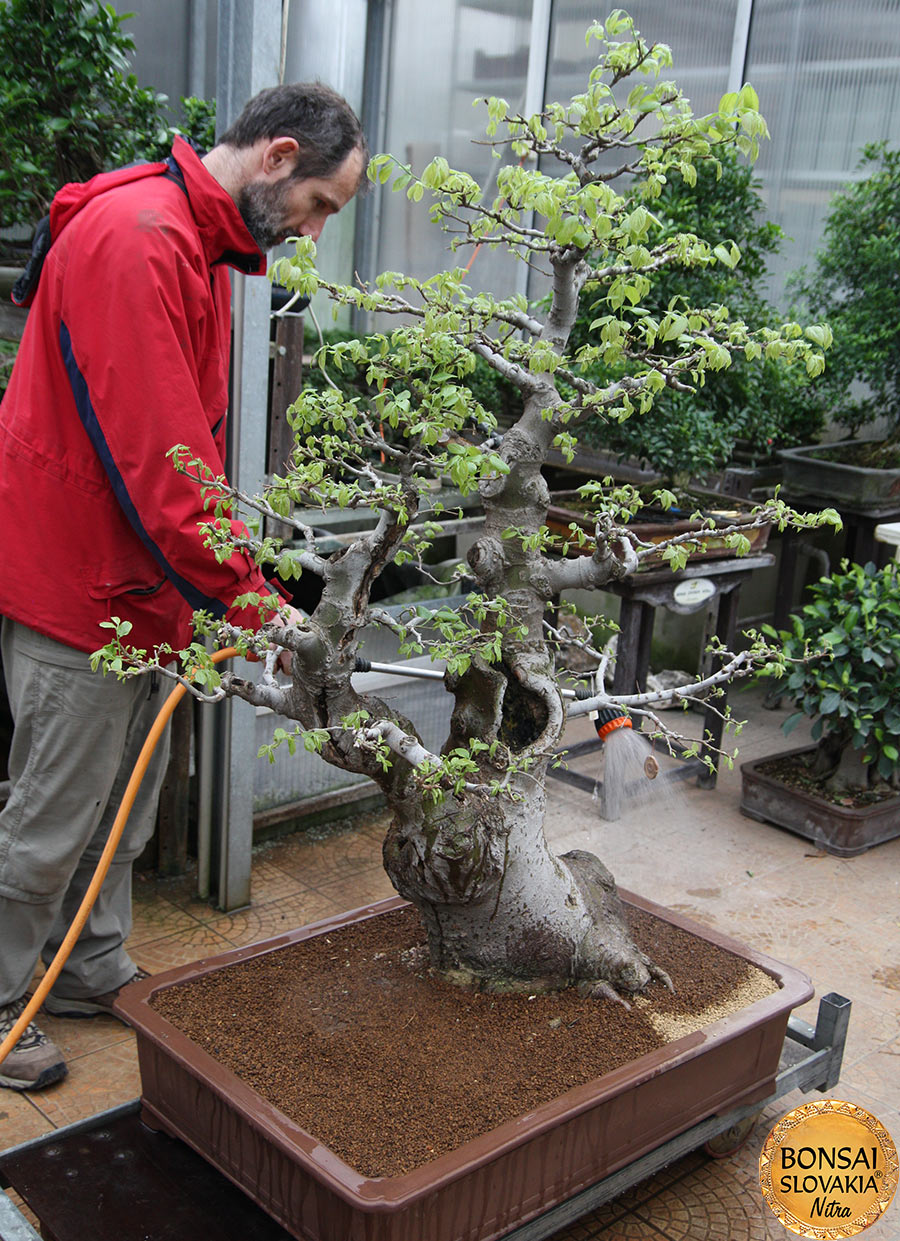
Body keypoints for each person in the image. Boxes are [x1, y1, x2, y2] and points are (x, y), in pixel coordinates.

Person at [0, 82, 367, 1090]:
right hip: (82, 580)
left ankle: (87, 961)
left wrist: (220, 591)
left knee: (125, 797)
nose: (315, 230)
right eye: (321, 204)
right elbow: (167, 469)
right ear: (278, 154)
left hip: (137, 579)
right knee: (52, 810)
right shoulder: (140, 236)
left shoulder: (190, 238)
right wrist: (259, 606)